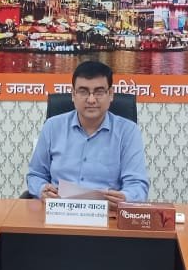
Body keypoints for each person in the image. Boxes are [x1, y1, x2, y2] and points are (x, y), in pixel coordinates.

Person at [26, 60, 149, 208]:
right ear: (73, 94)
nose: (91, 100)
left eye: (99, 92)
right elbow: (35, 175)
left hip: (107, 214)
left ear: (110, 94)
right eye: (83, 92)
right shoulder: (52, 127)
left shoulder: (128, 131)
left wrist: (126, 197)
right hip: (58, 211)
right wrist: (41, 190)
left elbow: (137, 184)